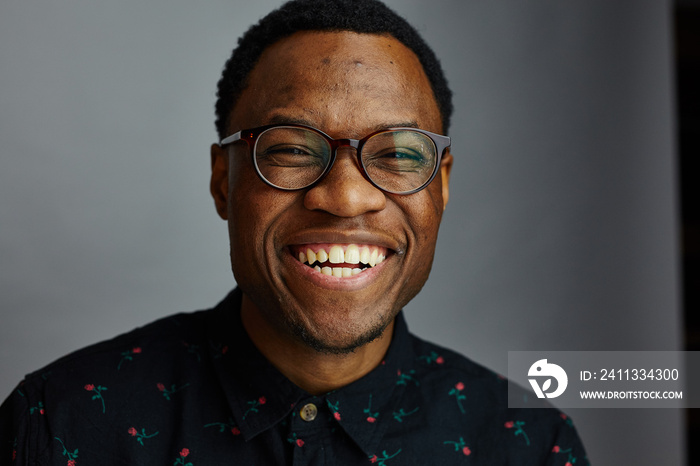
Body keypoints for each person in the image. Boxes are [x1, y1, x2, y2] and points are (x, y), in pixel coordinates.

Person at [1, 0, 587, 464]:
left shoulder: (527, 446)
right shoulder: (59, 426)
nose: (347, 196)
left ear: (441, 186)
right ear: (223, 182)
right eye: (289, 149)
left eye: (401, 154)